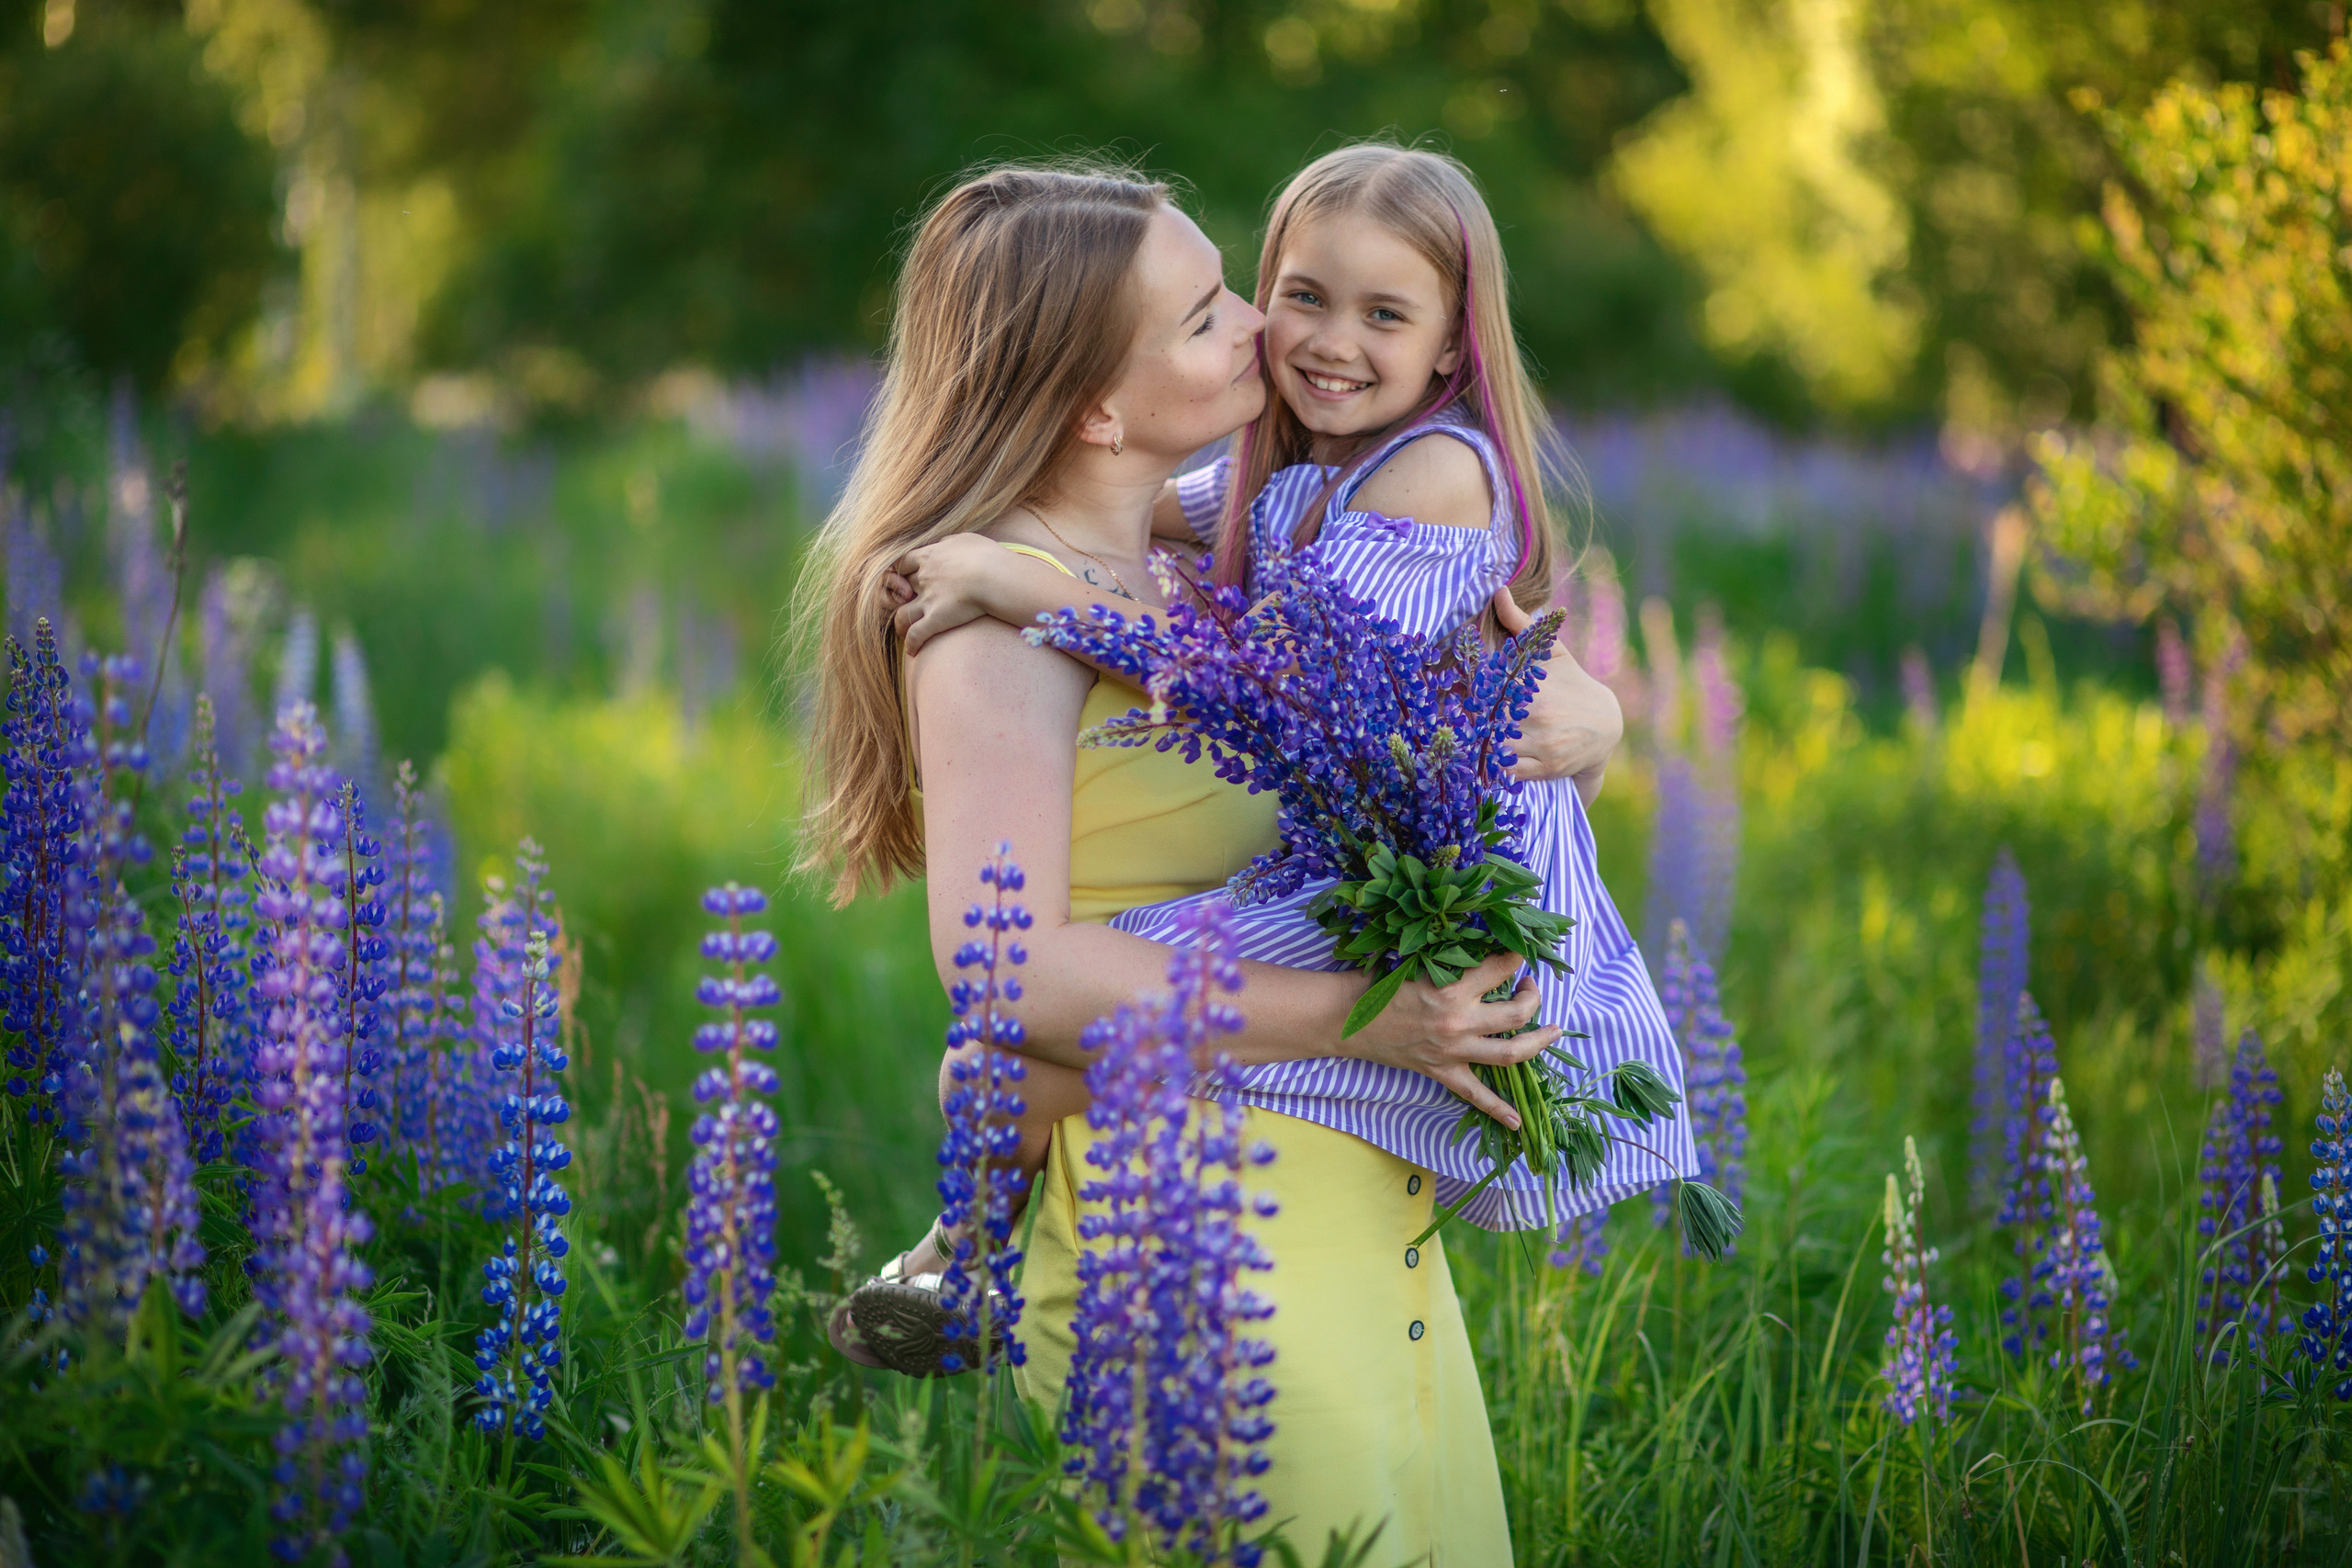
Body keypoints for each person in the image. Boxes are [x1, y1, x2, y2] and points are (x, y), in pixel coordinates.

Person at [800, 157, 1618, 1565]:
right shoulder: (992, 619)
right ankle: (976, 1238)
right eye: (1208, 313)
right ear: (1097, 407)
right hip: (1197, 1251)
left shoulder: (1212, 572)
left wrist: (1590, 722)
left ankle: (967, 1220)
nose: (1261, 327)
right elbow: (1000, 965)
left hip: (1356, 1217)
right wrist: (1373, 1018)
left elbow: (1398, 733)